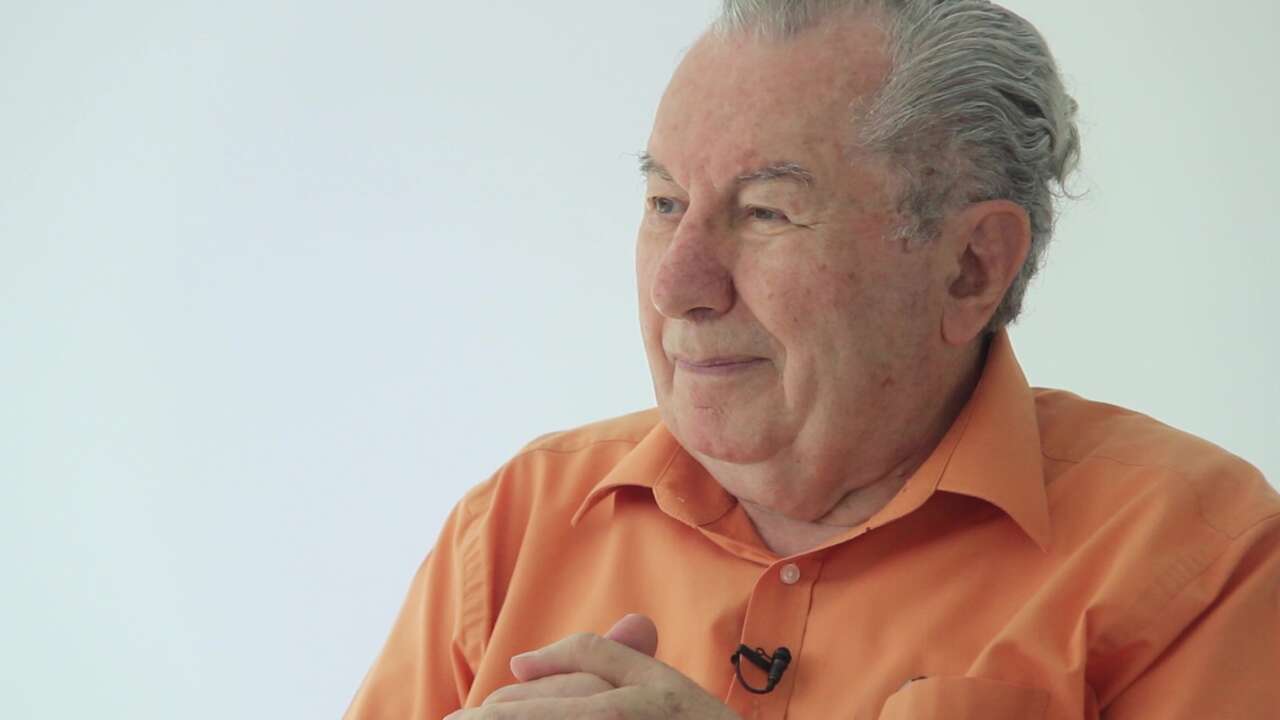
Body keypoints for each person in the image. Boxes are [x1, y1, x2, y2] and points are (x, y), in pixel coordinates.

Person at [345, 1, 1280, 718]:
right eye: (665, 204)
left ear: (969, 267)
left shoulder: (1197, 555)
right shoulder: (515, 526)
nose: (677, 285)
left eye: (766, 212)